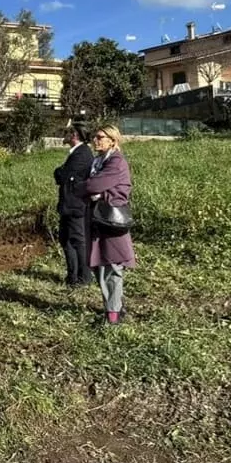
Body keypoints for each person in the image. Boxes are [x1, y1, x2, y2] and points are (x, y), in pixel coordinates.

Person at [84, 125, 135, 326]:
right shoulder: (98, 161)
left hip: (112, 220)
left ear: (112, 140)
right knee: (99, 265)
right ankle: (114, 307)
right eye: (94, 136)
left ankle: (112, 315)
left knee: (112, 265)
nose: (95, 140)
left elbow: (93, 185)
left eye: (99, 137)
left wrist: (87, 189)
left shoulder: (116, 162)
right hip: (99, 218)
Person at [53, 122, 93, 287]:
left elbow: (61, 175)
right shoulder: (78, 153)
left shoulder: (81, 154)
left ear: (75, 134)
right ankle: (73, 277)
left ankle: (83, 278)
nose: (65, 135)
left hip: (75, 205)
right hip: (70, 206)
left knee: (77, 241)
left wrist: (59, 171)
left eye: (68, 132)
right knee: (67, 240)